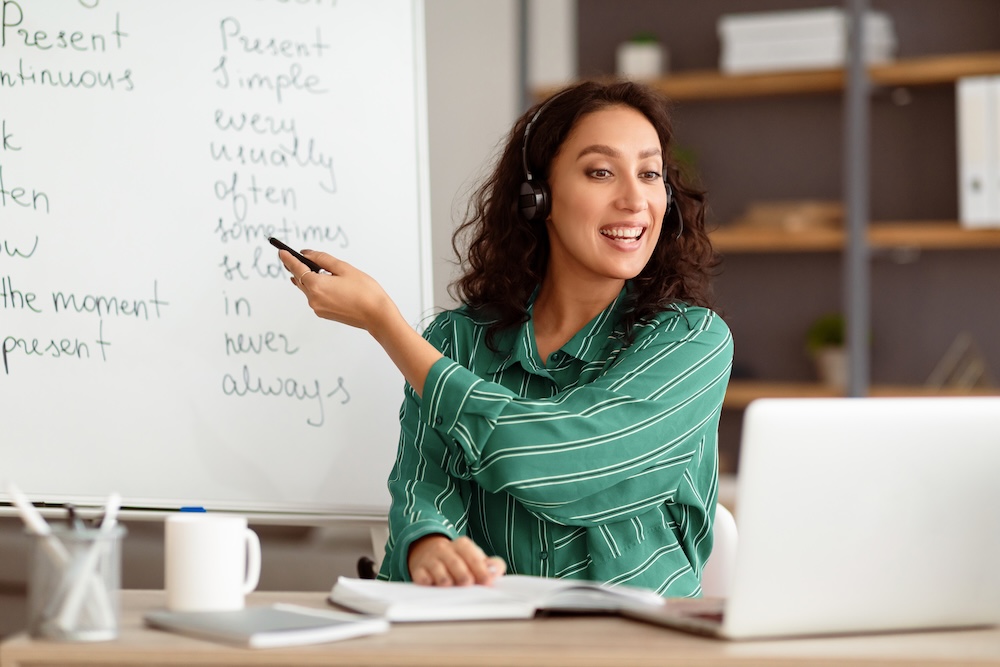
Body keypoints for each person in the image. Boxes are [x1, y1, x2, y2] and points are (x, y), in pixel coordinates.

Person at [276, 79, 733, 598]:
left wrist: (386, 325)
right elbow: (424, 488)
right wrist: (429, 546)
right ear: (539, 197)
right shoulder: (457, 340)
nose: (634, 200)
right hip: (490, 629)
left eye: (649, 174)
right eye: (601, 172)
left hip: (637, 632)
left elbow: (565, 463)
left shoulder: (692, 342)